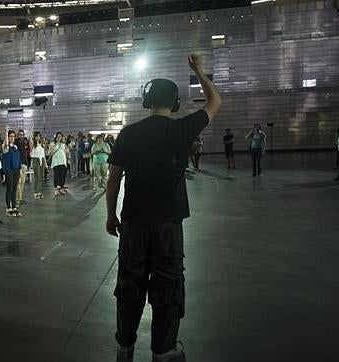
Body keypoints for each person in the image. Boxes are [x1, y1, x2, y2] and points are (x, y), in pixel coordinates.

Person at [106, 53, 222, 362]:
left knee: (129, 288)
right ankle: (163, 350)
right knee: (168, 288)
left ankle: (125, 348)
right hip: (168, 226)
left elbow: (113, 179)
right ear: (173, 102)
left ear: (147, 101)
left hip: (132, 224)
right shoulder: (183, 129)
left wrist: (110, 215)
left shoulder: (128, 134)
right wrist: (197, 69)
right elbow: (215, 102)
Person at [2, 128, 22, 216]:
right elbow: (6, 143)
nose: (12, 138)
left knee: (14, 189)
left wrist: (19, 169)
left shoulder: (16, 147)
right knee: (9, 189)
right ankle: (8, 208)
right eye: (10, 136)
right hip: (8, 170)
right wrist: (6, 132)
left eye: (13, 136)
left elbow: (18, 159)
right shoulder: (5, 147)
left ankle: (14, 207)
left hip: (16, 170)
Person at [49, 132, 68, 196]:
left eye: (60, 136)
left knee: (62, 176)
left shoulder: (63, 145)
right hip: (56, 162)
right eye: (58, 136)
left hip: (62, 162)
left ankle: (62, 188)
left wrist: (66, 161)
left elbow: (65, 153)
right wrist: (55, 146)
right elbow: (50, 153)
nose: (59, 137)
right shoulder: (52, 144)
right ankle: (57, 189)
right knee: (56, 176)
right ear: (56, 137)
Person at [29, 132, 46, 199]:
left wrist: (46, 164)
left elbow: (43, 154)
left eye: (39, 136)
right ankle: (35, 192)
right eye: (36, 136)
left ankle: (39, 192)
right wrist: (31, 131)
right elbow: (30, 139)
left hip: (42, 160)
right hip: (36, 160)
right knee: (37, 176)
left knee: (41, 177)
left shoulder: (41, 144)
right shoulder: (33, 144)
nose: (38, 137)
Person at [15, 129, 30, 205]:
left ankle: (20, 198)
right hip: (18, 164)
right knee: (19, 182)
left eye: (22, 135)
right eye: (20, 134)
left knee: (23, 182)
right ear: (17, 135)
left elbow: (25, 154)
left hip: (24, 164)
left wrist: (27, 164)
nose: (21, 136)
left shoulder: (24, 143)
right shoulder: (16, 142)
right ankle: (18, 198)